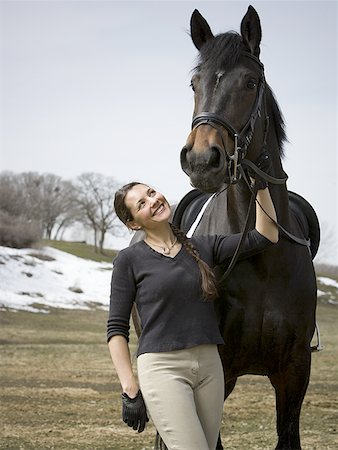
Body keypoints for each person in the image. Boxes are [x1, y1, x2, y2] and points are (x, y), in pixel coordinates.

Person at [107, 155, 279, 450]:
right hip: (163, 369)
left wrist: (261, 187)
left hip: (210, 367)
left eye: (151, 192)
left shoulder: (203, 246)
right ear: (133, 224)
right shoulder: (129, 260)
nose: (153, 200)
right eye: (141, 204)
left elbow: (266, 235)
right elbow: (116, 329)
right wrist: (129, 388)